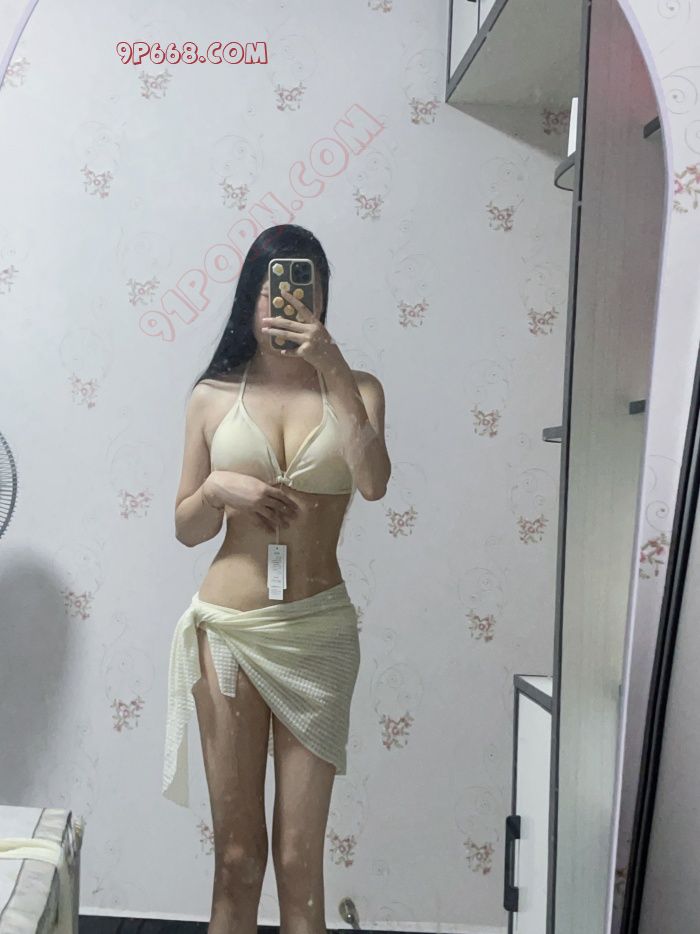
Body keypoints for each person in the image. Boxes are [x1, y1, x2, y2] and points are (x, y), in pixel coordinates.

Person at [163, 224, 391, 934]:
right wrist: (217, 489)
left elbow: (373, 480)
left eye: (303, 288)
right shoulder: (212, 397)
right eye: (272, 289)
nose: (286, 301)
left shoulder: (358, 388)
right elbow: (187, 527)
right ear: (250, 298)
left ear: (321, 298)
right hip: (229, 633)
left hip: (319, 633)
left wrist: (332, 366)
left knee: (299, 861)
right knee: (237, 858)